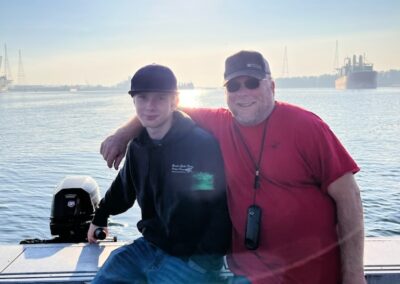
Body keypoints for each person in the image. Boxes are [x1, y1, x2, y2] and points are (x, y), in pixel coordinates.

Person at [100, 51, 366, 284]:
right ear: (226, 93)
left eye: (252, 83)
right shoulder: (219, 122)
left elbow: (350, 197)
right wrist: (123, 135)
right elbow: (157, 111)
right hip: (249, 273)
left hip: (310, 273)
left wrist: (354, 275)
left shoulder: (306, 127)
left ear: (272, 87)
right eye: (234, 86)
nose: (243, 93)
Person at [88, 64, 232, 284]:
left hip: (192, 256)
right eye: (143, 98)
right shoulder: (138, 147)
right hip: (149, 246)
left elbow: (217, 206)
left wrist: (203, 260)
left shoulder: (199, 146)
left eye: (160, 99)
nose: (150, 107)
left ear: (174, 101)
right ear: (133, 102)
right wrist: (100, 217)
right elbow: (123, 187)